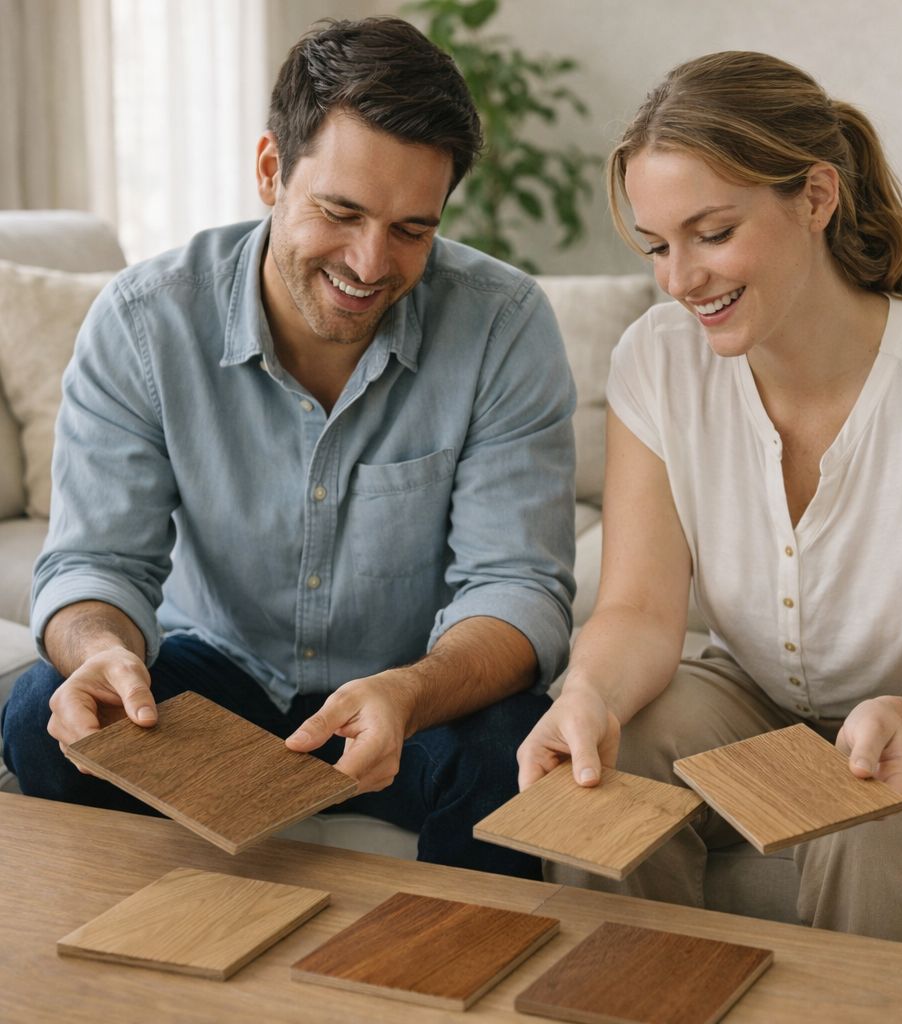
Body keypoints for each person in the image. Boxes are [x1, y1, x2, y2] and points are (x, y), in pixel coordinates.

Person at [2, 17, 577, 880]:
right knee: (40, 712)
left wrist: (410, 692)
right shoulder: (144, 320)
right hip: (215, 684)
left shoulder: (504, 326)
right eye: (341, 213)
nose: (371, 263)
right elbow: (94, 564)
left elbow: (517, 588)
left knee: (513, 751)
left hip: (408, 699)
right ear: (272, 170)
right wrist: (105, 654)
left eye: (412, 229)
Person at [517, 50, 902, 951]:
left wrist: (899, 717)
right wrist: (587, 692)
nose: (680, 279)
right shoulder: (656, 359)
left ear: (817, 198)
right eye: (657, 245)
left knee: (876, 832)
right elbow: (636, 608)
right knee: (603, 765)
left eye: (712, 233)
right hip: (753, 690)